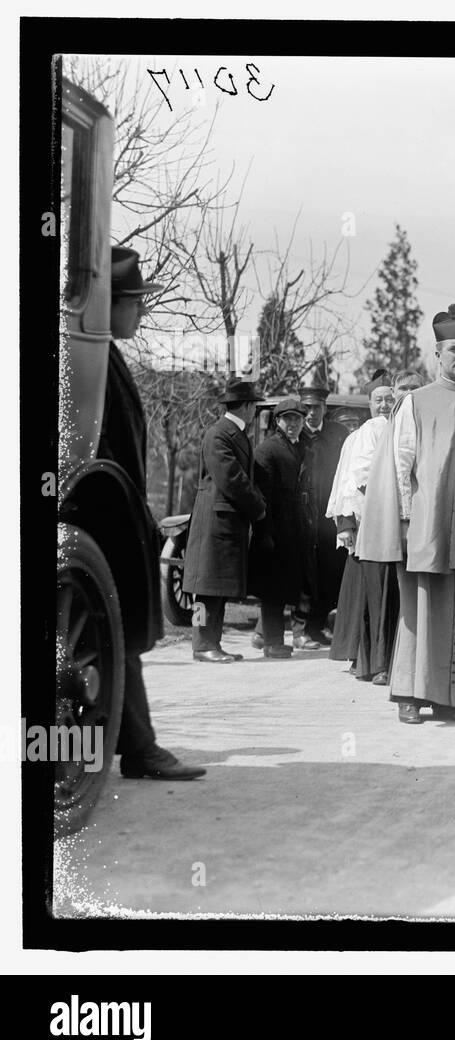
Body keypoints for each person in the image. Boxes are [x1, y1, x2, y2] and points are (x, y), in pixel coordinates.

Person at [359, 305, 455, 724]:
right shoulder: (415, 402)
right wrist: (407, 522)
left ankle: (450, 696)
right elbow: (400, 463)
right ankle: (409, 695)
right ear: (437, 352)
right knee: (421, 609)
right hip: (427, 527)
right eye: (453, 348)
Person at [103, 246, 205, 780]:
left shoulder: (104, 356)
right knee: (114, 634)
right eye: (135, 302)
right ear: (109, 303)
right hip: (102, 521)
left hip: (114, 518)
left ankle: (127, 746)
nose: (141, 313)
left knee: (115, 636)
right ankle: (138, 749)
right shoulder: (90, 359)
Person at [182, 376, 266, 664]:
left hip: (226, 523)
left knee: (214, 589)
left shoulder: (233, 433)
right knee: (205, 590)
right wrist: (258, 506)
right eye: (253, 405)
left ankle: (210, 643)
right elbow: (231, 478)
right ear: (245, 407)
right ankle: (202, 644)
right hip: (216, 523)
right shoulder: (220, 434)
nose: (255, 411)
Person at [328, 374, 399, 682]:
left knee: (371, 593)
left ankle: (366, 659)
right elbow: (350, 481)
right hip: (371, 520)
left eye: (389, 399)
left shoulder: (396, 428)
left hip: (376, 523)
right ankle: (370, 660)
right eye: (378, 400)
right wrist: (347, 522)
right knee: (372, 592)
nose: (384, 405)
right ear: (369, 404)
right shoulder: (367, 433)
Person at [248, 397, 316, 658]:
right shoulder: (269, 450)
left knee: (285, 584)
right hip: (274, 528)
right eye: (288, 419)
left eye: (297, 419)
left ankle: (267, 636)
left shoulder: (300, 447)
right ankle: (272, 642)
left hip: (294, 527)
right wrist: (265, 532)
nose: (293, 424)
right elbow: (262, 495)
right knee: (273, 588)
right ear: (278, 421)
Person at [297, 371, 351, 647]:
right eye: (305, 408)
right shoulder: (294, 434)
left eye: (316, 408)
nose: (310, 414)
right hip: (303, 515)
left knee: (328, 571)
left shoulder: (338, 435)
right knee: (303, 574)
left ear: (324, 408)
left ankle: (317, 626)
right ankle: (301, 629)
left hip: (328, 516)